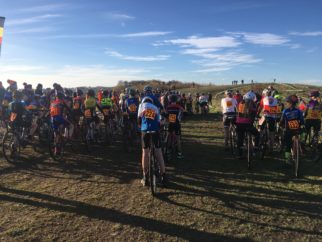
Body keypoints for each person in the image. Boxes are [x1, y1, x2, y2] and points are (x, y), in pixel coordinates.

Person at [138, 96, 167, 187]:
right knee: (158, 152)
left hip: (145, 130)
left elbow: (138, 120)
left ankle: (145, 177)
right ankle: (163, 176)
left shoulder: (141, 106)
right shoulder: (155, 108)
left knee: (145, 152)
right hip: (155, 130)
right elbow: (159, 121)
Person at [279, 95, 304, 165]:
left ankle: (287, 160)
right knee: (301, 136)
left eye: (287, 102)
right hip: (297, 130)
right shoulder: (299, 111)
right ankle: (301, 146)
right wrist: (302, 126)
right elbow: (302, 120)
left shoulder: (285, 111)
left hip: (288, 130)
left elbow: (281, 121)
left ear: (289, 103)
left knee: (288, 145)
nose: (286, 103)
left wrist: (281, 126)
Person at [236, 92, 259, 159]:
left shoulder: (240, 103)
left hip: (239, 124)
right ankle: (255, 149)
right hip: (248, 125)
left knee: (240, 139)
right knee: (257, 134)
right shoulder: (252, 105)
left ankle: (240, 154)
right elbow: (254, 116)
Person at [166, 94, 184, 159]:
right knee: (178, 139)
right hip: (177, 123)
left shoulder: (168, 107)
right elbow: (182, 112)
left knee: (169, 137)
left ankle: (168, 151)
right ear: (176, 100)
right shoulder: (179, 106)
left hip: (171, 123)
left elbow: (166, 114)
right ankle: (179, 153)